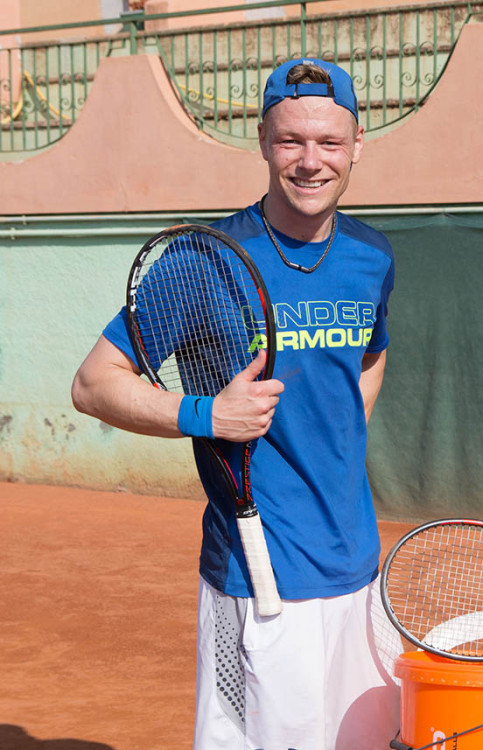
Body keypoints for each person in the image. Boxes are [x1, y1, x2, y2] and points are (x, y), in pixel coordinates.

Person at [71, 58, 401, 750]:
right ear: (262, 141)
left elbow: (369, 359)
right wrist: (206, 416)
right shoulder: (205, 261)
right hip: (254, 581)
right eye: (291, 141)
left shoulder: (372, 256)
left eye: (329, 142)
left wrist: (335, 448)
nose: (311, 161)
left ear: (357, 145)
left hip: (356, 575)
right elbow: (94, 382)